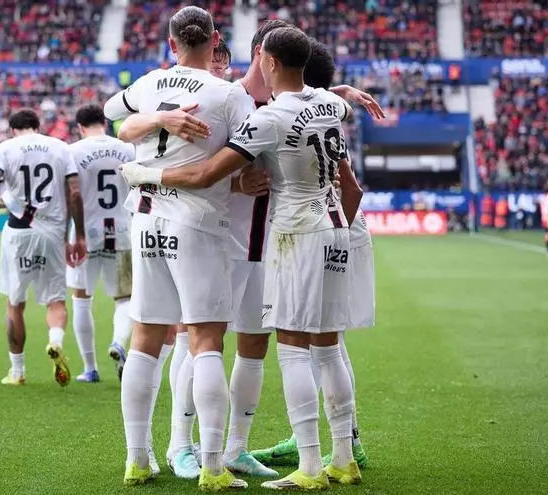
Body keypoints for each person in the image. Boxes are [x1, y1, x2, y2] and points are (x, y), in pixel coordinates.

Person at [121, 26, 363, 490]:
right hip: (231, 240)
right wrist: (234, 182)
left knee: (257, 346)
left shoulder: (276, 111)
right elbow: (210, 163)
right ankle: (181, 445)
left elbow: (214, 162)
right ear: (264, 55)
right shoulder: (231, 99)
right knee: (204, 340)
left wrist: (143, 174)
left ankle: (235, 450)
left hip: (273, 244)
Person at [103, 6, 255, 490]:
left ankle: (137, 459)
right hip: (198, 223)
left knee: (146, 340)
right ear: (215, 41)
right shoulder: (227, 93)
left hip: (145, 221)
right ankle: (213, 467)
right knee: (206, 340)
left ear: (171, 44)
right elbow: (255, 151)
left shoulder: (149, 83)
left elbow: (112, 114)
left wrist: (154, 117)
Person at [250, 37, 371, 471]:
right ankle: (345, 452)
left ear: (271, 62)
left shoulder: (273, 117)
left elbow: (217, 167)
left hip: (298, 233)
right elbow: (352, 186)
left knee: (292, 346)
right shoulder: (331, 109)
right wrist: (344, 93)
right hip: (339, 228)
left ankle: (309, 465)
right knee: (330, 345)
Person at [0, 108, 87, 386]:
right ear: (37, 126)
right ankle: (55, 342)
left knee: (15, 303)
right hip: (52, 232)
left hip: (19, 230)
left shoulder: (4, 148)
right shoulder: (61, 148)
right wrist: (79, 235)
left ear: (14, 129)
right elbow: (75, 193)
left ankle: (17, 371)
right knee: (56, 300)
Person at [62, 105, 136, 384]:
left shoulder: (72, 151)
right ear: (104, 123)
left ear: (80, 127)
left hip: (87, 231)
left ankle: (90, 367)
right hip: (121, 228)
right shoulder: (128, 148)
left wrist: (73, 235)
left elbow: (72, 194)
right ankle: (118, 342)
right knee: (125, 297)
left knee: (82, 298)